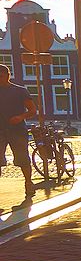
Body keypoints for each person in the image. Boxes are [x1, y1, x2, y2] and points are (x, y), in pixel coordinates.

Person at [0, 63, 37, 201]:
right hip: (0, 131)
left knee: (22, 158)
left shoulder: (20, 91)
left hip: (17, 130)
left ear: (7, 76)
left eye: (1, 76)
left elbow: (32, 110)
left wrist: (20, 117)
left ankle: (28, 182)